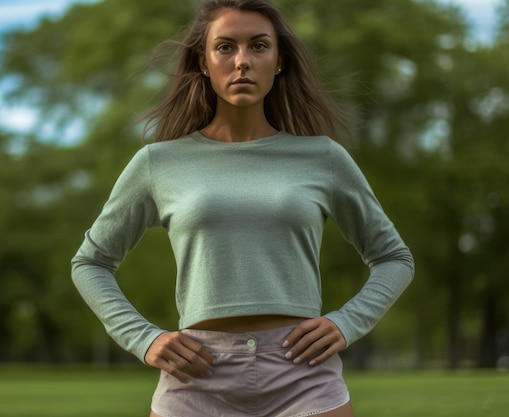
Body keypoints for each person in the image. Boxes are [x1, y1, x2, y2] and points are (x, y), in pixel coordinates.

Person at [71, 0, 414, 416]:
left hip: (302, 373)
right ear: (202, 62)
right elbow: (90, 262)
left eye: (258, 46)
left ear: (280, 60)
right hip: (195, 376)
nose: (242, 62)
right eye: (225, 47)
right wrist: (143, 338)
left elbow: (394, 257)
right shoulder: (157, 163)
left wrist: (347, 322)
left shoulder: (324, 157)